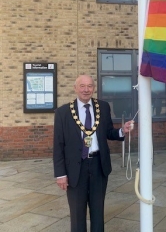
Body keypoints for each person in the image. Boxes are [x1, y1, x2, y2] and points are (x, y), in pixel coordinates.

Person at [53, 75, 134, 232]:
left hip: (98, 165)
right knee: (77, 213)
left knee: (98, 210)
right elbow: (58, 145)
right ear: (75, 88)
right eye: (82, 86)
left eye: (90, 86)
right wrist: (60, 174)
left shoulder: (103, 107)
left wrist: (122, 130)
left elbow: (108, 132)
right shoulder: (63, 112)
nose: (86, 89)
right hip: (75, 168)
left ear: (94, 88)